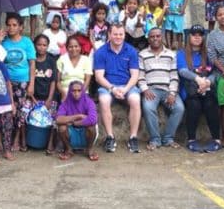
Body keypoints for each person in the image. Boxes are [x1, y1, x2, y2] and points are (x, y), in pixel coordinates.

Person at [93, 23, 142, 153]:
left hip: (127, 85)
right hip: (108, 85)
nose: (118, 37)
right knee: (103, 100)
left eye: (121, 34)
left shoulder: (131, 51)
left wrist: (125, 89)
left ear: (125, 35)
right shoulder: (101, 52)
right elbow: (99, 77)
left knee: (135, 99)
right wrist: (113, 88)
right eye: (115, 34)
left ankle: (133, 137)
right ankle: (110, 137)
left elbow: (135, 75)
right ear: (109, 34)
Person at [138, 27, 184, 150]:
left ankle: (168, 138)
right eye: (152, 36)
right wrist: (145, 90)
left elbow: (174, 76)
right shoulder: (142, 54)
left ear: (162, 37)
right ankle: (155, 140)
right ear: (148, 38)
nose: (155, 39)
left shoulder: (171, 54)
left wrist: (172, 93)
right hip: (151, 90)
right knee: (148, 108)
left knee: (179, 108)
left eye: (158, 36)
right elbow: (140, 76)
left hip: (167, 90)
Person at [179, 25, 221, 152]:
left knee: (211, 103)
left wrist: (208, 82)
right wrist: (198, 79)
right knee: (194, 105)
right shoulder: (182, 53)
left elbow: (215, 72)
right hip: (190, 89)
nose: (197, 37)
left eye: (200, 35)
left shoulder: (208, 53)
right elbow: (182, 71)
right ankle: (191, 139)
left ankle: (216, 139)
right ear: (189, 37)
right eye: (194, 35)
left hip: (206, 88)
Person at [1, 13, 36, 151]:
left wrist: (31, 84)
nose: (11, 28)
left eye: (14, 25)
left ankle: (18, 140)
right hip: (6, 82)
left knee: (21, 111)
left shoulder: (27, 42)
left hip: (23, 81)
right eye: (8, 25)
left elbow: (32, 64)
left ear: (21, 27)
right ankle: (7, 140)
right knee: (8, 111)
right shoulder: (3, 42)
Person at [207, 4, 224, 147]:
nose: (223, 17)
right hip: (221, 72)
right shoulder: (212, 35)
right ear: (216, 17)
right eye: (220, 15)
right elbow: (212, 55)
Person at [56, 81, 99, 161]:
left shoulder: (89, 102)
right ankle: (69, 150)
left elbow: (93, 119)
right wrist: (78, 116)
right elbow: (58, 119)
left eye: (79, 90)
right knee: (61, 127)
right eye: (74, 91)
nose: (76, 93)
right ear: (70, 91)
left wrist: (77, 123)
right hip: (71, 135)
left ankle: (89, 149)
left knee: (91, 127)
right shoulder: (65, 103)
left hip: (85, 134)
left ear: (83, 91)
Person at [32, 34, 58, 154]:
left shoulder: (51, 61)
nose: (41, 47)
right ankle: (19, 139)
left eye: (44, 45)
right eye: (39, 45)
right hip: (33, 97)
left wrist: (49, 99)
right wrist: (32, 98)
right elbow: (29, 80)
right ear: (35, 45)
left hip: (48, 97)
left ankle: (50, 141)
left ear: (47, 46)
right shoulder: (31, 60)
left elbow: (53, 81)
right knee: (23, 113)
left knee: (52, 117)